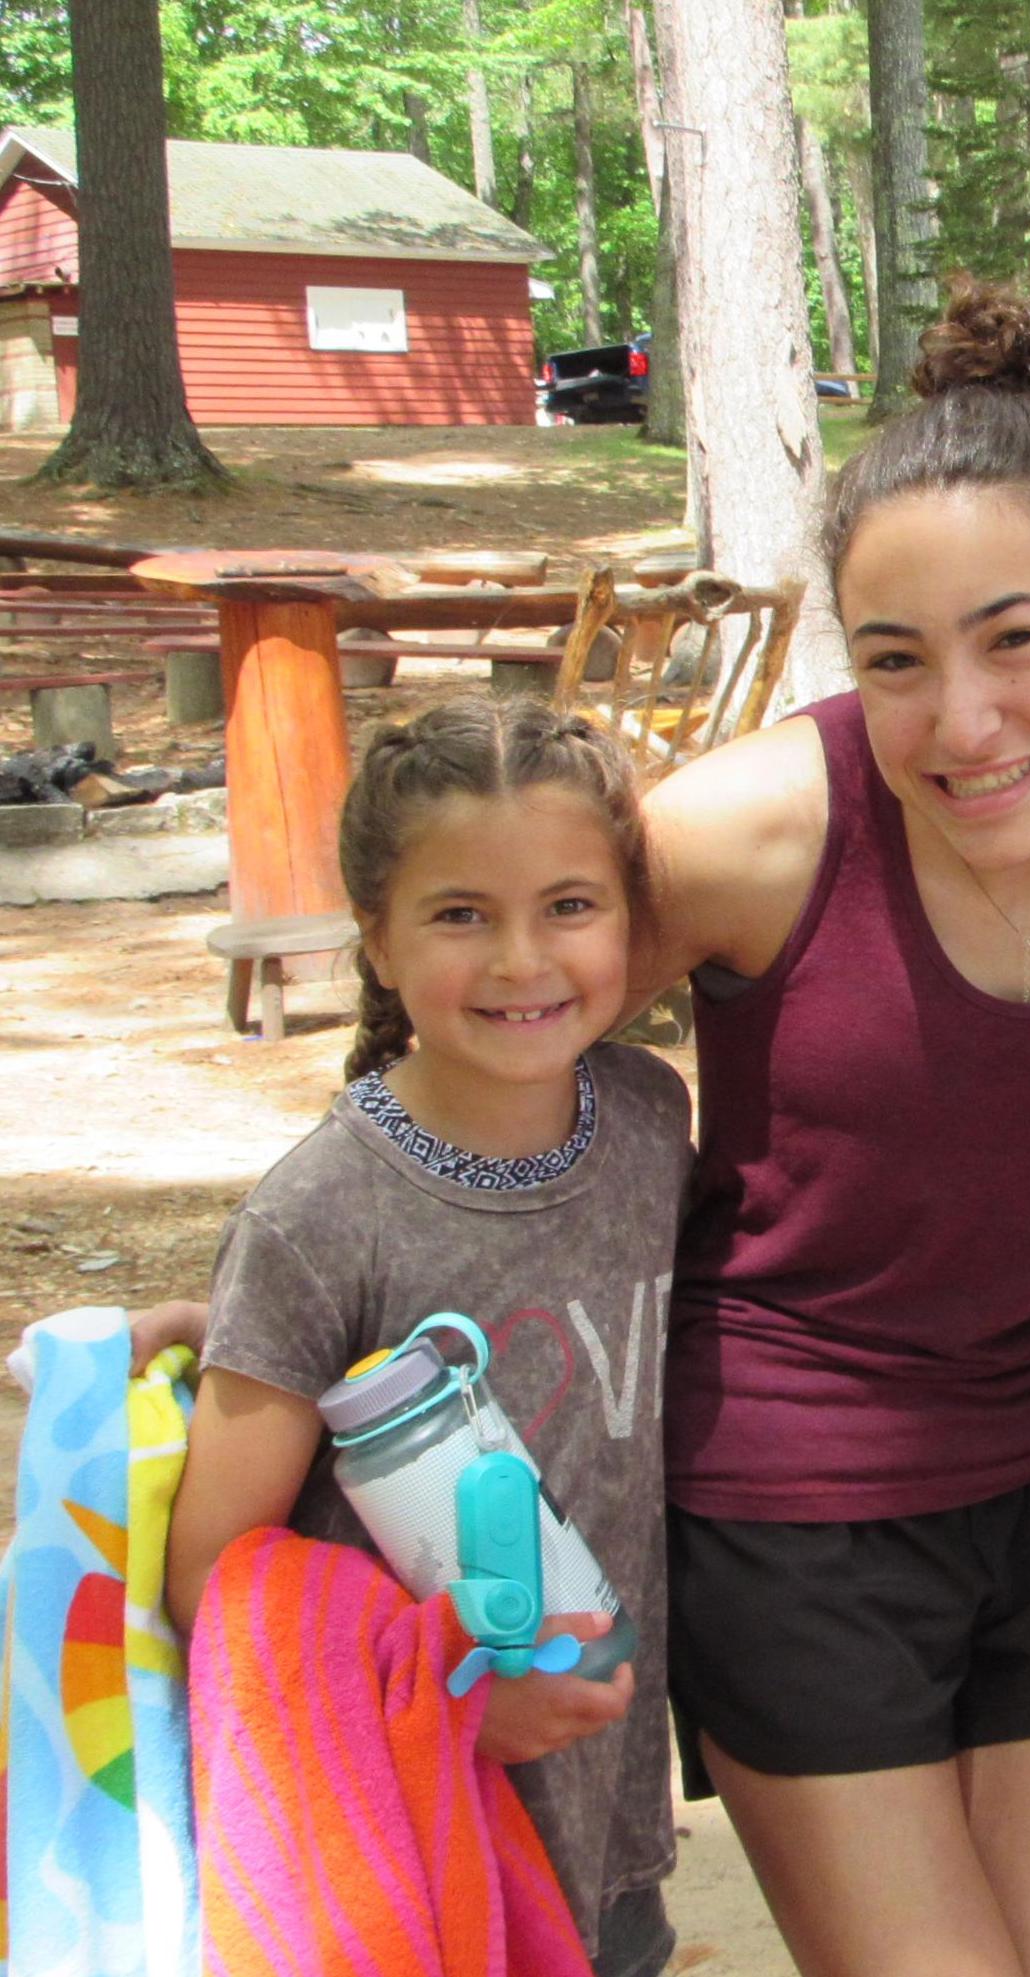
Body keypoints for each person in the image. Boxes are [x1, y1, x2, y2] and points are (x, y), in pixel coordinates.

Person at [636, 273, 1030, 1975]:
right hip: (786, 1496)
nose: (962, 722)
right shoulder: (749, 834)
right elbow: (465, 1004)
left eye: (1015, 639)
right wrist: (298, 1295)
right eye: (895, 660)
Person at [165, 695, 690, 1977]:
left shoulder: (647, 1119)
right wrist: (447, 1698)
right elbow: (215, 1582)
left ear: (631, 917)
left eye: (570, 905)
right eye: (461, 914)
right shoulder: (318, 1218)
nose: (521, 960)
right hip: (406, 1854)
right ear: (377, 940)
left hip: (608, 1829)